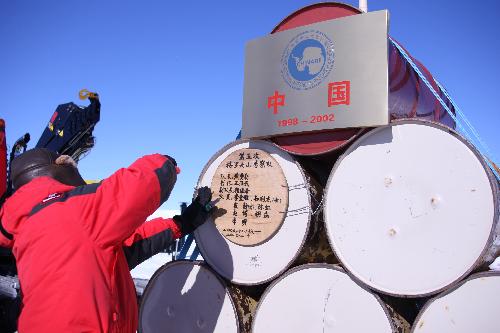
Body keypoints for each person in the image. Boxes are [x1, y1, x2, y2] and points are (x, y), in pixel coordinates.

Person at [0, 148, 214, 332]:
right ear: (59, 167)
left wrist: (182, 224)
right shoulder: (71, 210)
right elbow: (144, 183)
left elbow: (125, 249)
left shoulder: (27, 227)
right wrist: (165, 162)